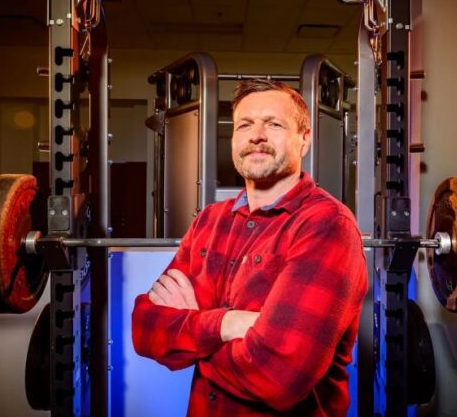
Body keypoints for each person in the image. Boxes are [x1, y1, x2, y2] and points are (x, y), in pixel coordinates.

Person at [132, 79, 367, 416]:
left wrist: (192, 327)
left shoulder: (327, 225)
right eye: (244, 125)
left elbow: (278, 376)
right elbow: (145, 330)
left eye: (273, 124)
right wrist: (229, 324)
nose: (256, 135)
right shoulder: (209, 221)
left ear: (304, 139)